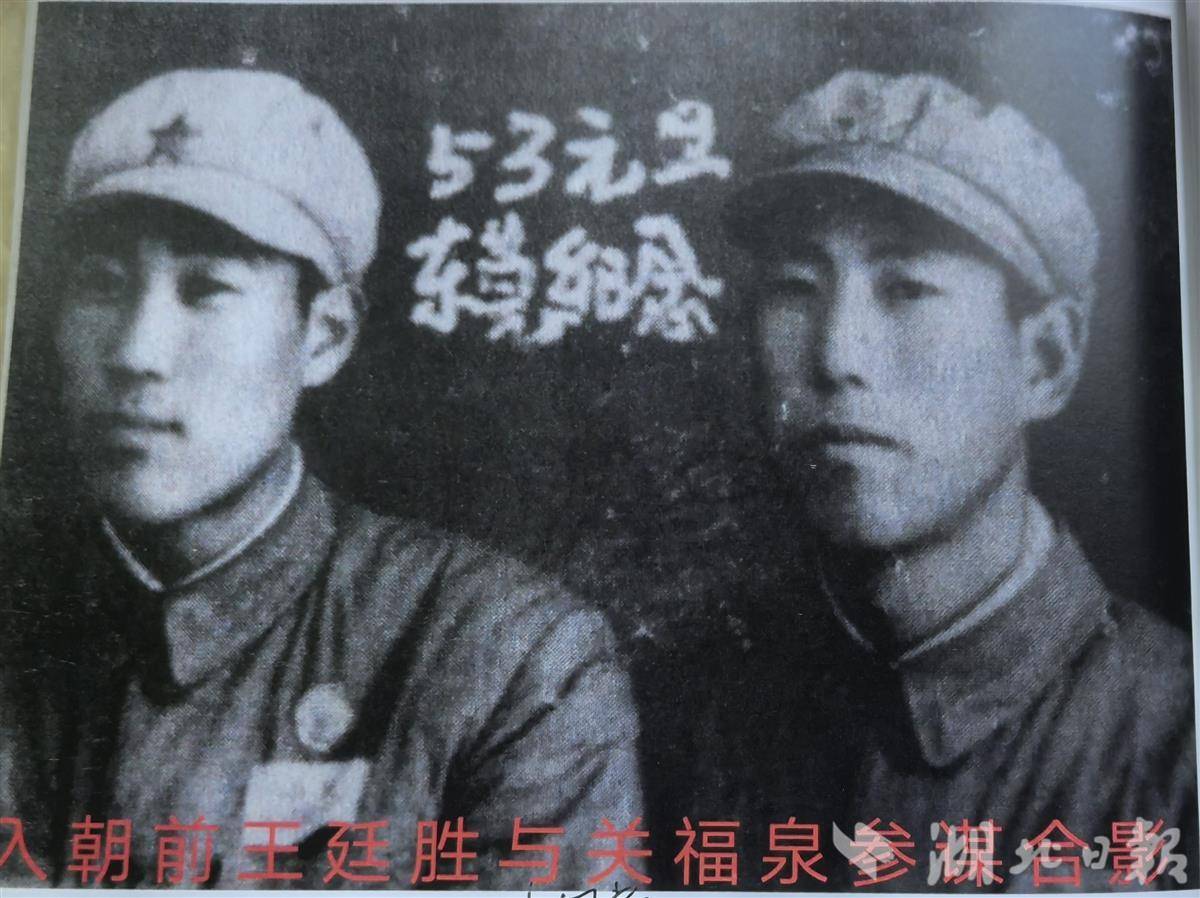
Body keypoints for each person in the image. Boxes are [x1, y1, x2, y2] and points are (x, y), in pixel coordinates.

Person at [0, 68, 642, 888]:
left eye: (206, 289)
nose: (134, 352)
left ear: (325, 335)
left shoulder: (507, 661)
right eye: (101, 285)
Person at [721, 70, 1197, 890]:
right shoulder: (678, 710)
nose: (836, 356)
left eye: (906, 288)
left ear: (1045, 360)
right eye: (794, 289)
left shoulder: (1175, 745)